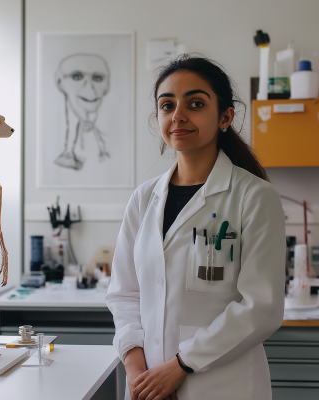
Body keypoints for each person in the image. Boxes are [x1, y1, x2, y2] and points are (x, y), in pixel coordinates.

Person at [106, 55, 286, 400]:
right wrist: (136, 370)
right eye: (167, 105)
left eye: (196, 103)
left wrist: (180, 366)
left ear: (225, 117)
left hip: (222, 385)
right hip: (146, 387)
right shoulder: (144, 199)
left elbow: (261, 307)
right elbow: (124, 293)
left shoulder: (254, 197)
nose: (178, 115)